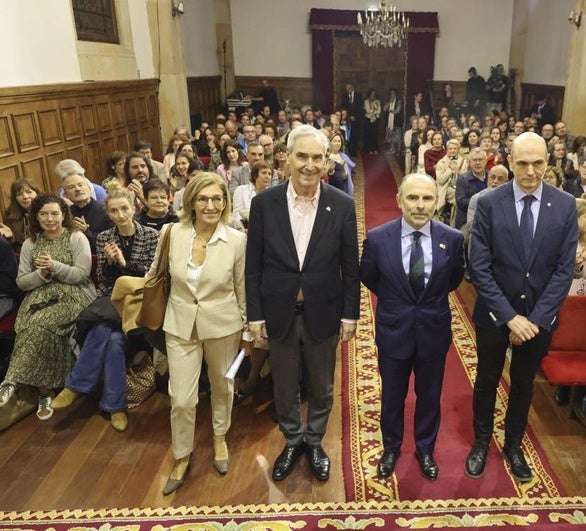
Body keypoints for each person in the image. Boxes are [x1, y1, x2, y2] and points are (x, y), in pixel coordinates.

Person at [245, 125, 360, 483]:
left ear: (327, 162)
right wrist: (255, 315)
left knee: (322, 386)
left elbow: (350, 266)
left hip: (324, 310)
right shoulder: (264, 203)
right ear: (287, 158)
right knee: (284, 384)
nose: (309, 165)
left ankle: (315, 441)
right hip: (278, 310)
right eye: (302, 156)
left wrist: (349, 314)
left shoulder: (341, 204)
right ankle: (293, 439)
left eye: (317, 158)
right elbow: (253, 265)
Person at [467, 132, 577, 483]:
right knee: (486, 381)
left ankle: (513, 444)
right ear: (509, 162)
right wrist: (510, 317)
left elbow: (564, 270)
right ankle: (481, 441)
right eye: (523, 163)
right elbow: (479, 267)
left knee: (525, 384)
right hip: (495, 316)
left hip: (539, 320)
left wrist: (536, 318)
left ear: (548, 162)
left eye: (538, 163)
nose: (531, 171)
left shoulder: (564, 204)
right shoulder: (488, 202)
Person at [148, 173, 250, 495]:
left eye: (217, 199)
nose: (211, 205)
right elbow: (154, 274)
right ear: (190, 201)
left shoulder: (236, 240)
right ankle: (182, 455)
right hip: (179, 324)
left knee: (223, 384)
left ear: (225, 202)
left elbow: (242, 287)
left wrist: (248, 329)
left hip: (224, 325)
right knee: (181, 398)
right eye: (203, 199)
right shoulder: (171, 233)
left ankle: (220, 439)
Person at [360, 173, 465, 481]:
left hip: (433, 330)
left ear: (437, 201)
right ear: (399, 200)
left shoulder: (452, 238)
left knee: (429, 395)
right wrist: (398, 301)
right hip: (394, 330)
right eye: (413, 198)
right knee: (392, 395)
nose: (420, 206)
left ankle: (425, 449)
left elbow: (454, 279)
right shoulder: (378, 238)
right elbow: (370, 277)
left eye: (427, 198)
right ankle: (391, 448)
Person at [50, 185, 159, 431]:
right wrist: (110, 264)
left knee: (104, 328)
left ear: (134, 208)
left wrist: (124, 263)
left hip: (139, 300)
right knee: (113, 340)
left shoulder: (152, 236)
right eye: (114, 211)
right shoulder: (103, 237)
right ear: (108, 214)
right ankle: (115, 406)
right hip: (110, 299)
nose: (120, 215)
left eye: (124, 209)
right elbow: (103, 278)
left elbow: (153, 277)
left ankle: (75, 386)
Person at [0, 195, 96, 420]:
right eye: (43, 214)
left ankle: (12, 380)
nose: (50, 219)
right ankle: (44, 390)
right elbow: (21, 281)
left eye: (55, 213)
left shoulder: (76, 237)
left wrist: (55, 267)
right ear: (35, 216)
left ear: (64, 215)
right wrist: (41, 274)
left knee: (42, 324)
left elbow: (81, 275)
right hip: (40, 295)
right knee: (28, 324)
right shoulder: (30, 242)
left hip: (73, 294)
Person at [57, 160, 113, 252]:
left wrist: (86, 232)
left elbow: (109, 244)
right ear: (66, 195)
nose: (77, 189)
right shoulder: (65, 216)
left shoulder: (107, 211)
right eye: (71, 187)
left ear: (89, 189)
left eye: (80, 185)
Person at [435, 138, 468, 226]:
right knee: (456, 197)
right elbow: (441, 181)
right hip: (445, 188)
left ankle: (457, 223)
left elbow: (464, 178)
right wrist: (450, 170)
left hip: (459, 186)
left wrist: (457, 170)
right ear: (447, 150)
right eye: (450, 148)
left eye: (455, 148)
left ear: (458, 149)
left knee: (460, 195)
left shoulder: (463, 161)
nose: (452, 151)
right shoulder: (441, 162)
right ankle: (454, 225)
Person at [1, 178, 41, 250]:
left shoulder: (48, 210)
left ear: (37, 192)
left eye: (29, 192)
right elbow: (11, 247)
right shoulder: (10, 215)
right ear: (15, 199)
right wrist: (11, 237)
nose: (25, 197)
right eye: (19, 194)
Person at [454, 147, 489, 230]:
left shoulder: (492, 177)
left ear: (486, 161)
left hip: (489, 218)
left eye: (480, 160)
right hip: (467, 220)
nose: (478, 163)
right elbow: (461, 202)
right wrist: (483, 201)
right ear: (470, 162)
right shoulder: (463, 179)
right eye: (474, 160)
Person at [232, 161, 273, 226]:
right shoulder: (241, 190)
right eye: (264, 173)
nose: (267, 176)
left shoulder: (272, 195)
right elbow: (236, 214)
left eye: (269, 174)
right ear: (255, 175)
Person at [341, 83, 364, 156]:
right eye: (346, 88)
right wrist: (349, 116)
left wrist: (355, 116)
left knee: (355, 135)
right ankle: (348, 151)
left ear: (352, 87)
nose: (347, 90)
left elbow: (361, 107)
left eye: (349, 88)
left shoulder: (358, 95)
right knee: (348, 135)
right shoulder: (344, 96)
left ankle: (354, 151)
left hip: (357, 119)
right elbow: (343, 107)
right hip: (348, 119)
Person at [383, 87, 403, 154]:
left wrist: (390, 110)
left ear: (396, 94)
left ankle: (399, 150)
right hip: (389, 122)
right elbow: (384, 109)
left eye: (393, 93)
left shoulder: (399, 101)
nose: (392, 95)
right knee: (391, 137)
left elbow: (398, 110)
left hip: (396, 122)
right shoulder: (388, 100)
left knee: (397, 137)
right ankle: (392, 149)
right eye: (391, 93)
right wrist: (389, 103)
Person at [363, 88, 381, 154]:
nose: (373, 95)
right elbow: (368, 110)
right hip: (368, 120)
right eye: (371, 94)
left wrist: (373, 112)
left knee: (375, 135)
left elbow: (379, 111)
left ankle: (375, 148)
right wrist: (374, 112)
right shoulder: (366, 101)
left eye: (374, 94)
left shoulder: (377, 102)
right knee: (369, 135)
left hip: (376, 120)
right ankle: (369, 149)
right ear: (369, 94)